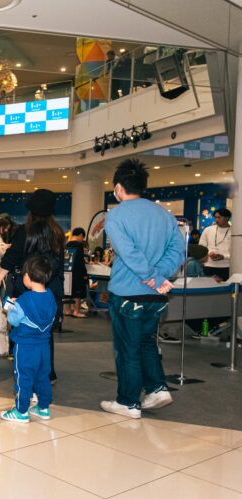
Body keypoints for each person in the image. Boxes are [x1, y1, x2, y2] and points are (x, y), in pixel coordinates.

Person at [100, 158, 184, 419]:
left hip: (128, 293)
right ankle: (157, 388)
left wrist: (151, 276)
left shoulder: (116, 215)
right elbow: (178, 250)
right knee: (146, 342)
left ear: (118, 187)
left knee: (128, 349)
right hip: (156, 295)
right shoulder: (164, 214)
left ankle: (128, 402)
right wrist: (159, 276)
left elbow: (128, 253)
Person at [0, 189, 65, 382]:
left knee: (21, 329)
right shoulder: (57, 233)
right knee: (45, 332)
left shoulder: (24, 231)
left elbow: (11, 257)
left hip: (24, 290)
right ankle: (47, 372)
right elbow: (60, 266)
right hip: (50, 291)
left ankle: (24, 368)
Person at [0, 255, 57, 423]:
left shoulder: (25, 299)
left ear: (29, 276)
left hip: (25, 347)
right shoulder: (50, 296)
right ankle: (43, 408)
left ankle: (21, 411)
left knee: (23, 378)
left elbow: (14, 320)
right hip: (44, 346)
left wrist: (10, 306)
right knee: (42, 377)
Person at [199, 208, 232, 281]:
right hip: (208, 266)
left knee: (225, 287)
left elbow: (238, 252)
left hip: (226, 267)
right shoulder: (208, 230)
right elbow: (201, 246)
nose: (216, 220)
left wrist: (224, 257)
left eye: (219, 217)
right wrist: (209, 253)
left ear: (227, 218)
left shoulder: (234, 232)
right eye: (215, 217)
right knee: (208, 287)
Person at [65, 227, 89, 318]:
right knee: (77, 292)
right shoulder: (79, 245)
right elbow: (80, 261)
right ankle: (76, 311)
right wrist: (84, 273)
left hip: (68, 270)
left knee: (68, 291)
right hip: (77, 271)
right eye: (82, 237)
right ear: (80, 235)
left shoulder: (67, 244)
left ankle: (67, 310)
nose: (82, 239)